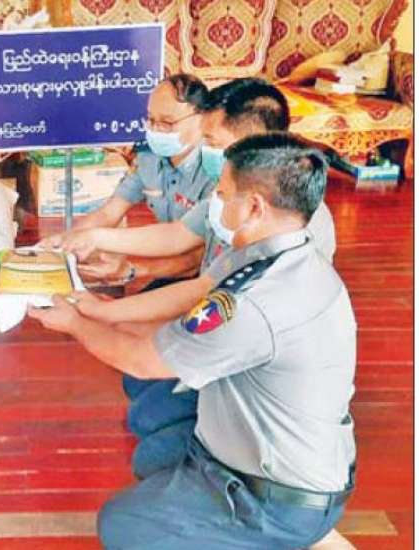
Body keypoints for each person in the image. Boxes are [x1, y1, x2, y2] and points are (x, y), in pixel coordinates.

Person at [29, 133, 357, 549]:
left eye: (222, 194)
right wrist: (101, 311)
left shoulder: (254, 302)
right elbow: (187, 311)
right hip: (282, 456)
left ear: (255, 207)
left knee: (123, 525)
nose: (214, 203)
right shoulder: (282, 255)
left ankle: (292, 537)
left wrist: (75, 325)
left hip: (277, 494)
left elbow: (144, 359)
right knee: (154, 454)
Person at [41, 73, 213, 287]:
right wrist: (65, 242)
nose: (156, 130)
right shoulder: (149, 157)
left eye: (168, 123)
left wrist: (128, 268)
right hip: (173, 271)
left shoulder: (216, 167)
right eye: (151, 120)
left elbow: (193, 255)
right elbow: (109, 212)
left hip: (212, 275)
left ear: (203, 118)